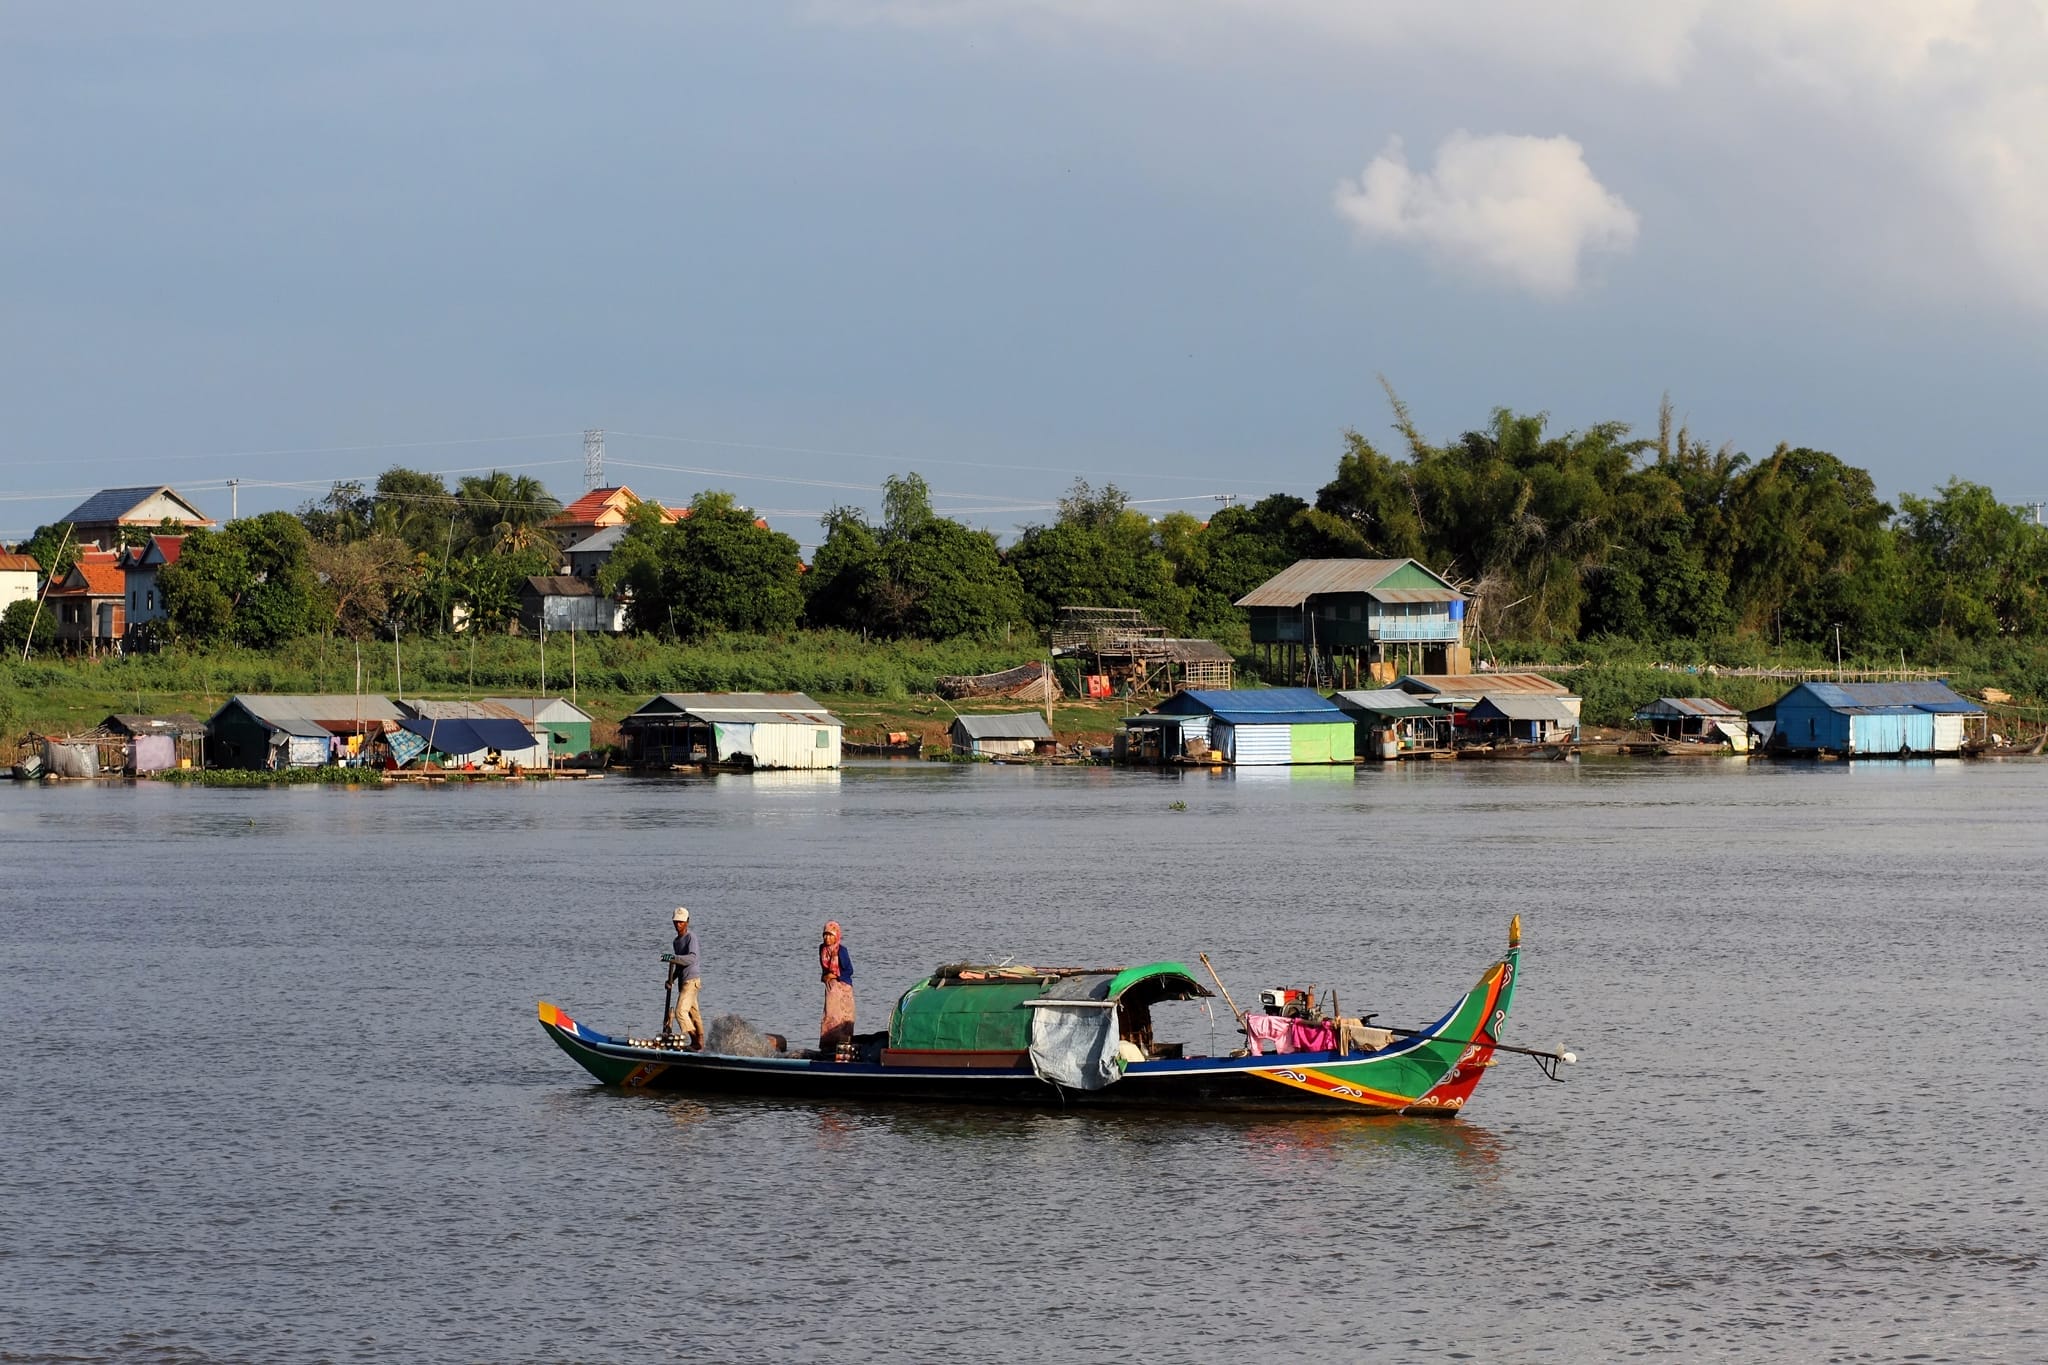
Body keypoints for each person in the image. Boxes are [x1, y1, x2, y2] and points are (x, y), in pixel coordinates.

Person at [664, 907, 702, 1049]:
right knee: (694, 1013)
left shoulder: (691, 937)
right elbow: (679, 965)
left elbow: (692, 958)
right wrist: (671, 980)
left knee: (680, 1012)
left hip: (691, 981)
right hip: (683, 981)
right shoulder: (676, 942)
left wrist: (674, 958)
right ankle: (700, 1043)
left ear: (687, 922)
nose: (678, 925)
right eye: (675, 922)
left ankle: (695, 1040)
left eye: (681, 922)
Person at [818, 921, 855, 1051]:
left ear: (836, 936)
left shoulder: (841, 951)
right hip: (831, 987)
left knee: (843, 1017)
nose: (827, 938)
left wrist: (834, 976)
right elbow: (824, 969)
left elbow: (849, 971)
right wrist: (825, 977)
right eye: (825, 935)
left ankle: (843, 1045)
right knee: (830, 1015)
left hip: (843, 987)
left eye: (830, 935)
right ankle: (828, 1046)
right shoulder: (822, 949)